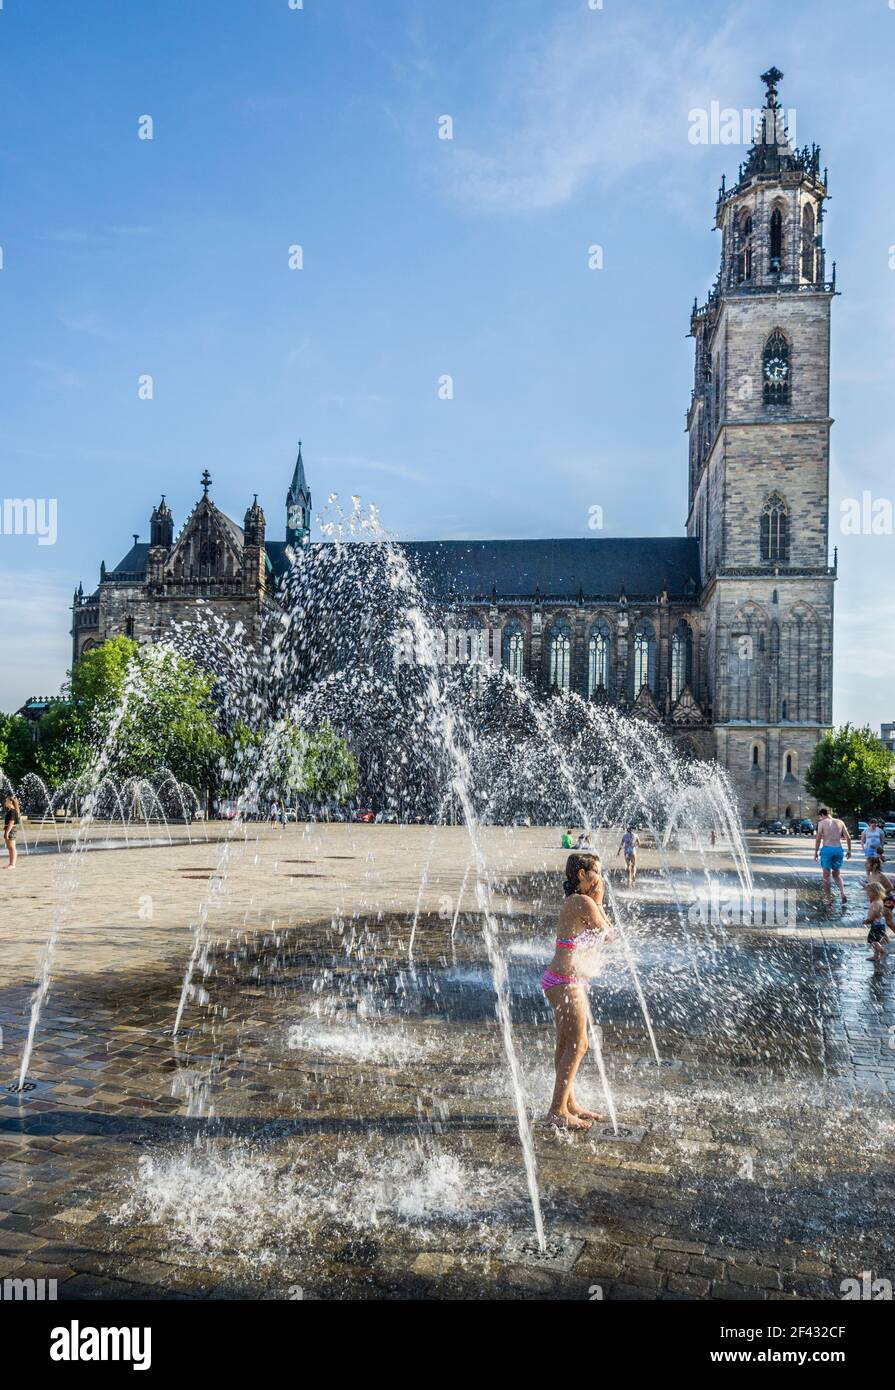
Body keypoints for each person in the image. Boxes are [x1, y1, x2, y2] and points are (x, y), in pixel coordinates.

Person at [541, 852, 615, 1132]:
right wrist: (600, 901)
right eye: (597, 872)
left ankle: (568, 1103)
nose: (601, 879)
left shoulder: (577, 901)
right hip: (565, 981)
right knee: (579, 1044)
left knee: (564, 1045)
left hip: (563, 980)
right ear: (582, 875)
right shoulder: (583, 901)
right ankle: (557, 1111)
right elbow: (610, 935)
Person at [813, 807, 851, 909]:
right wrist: (849, 851)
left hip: (827, 850)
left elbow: (818, 839)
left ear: (821, 815)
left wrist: (816, 852)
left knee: (826, 877)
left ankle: (829, 900)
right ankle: (843, 893)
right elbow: (848, 837)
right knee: (837, 874)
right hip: (838, 849)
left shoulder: (822, 823)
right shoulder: (840, 822)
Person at [864, 857, 895, 930]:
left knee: (880, 920)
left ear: (874, 865)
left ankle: (880, 938)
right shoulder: (869, 877)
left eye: (867, 863)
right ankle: (883, 939)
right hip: (876, 901)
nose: (865, 865)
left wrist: (880, 893)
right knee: (885, 922)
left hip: (887, 900)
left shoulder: (881, 876)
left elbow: (891, 887)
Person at [863, 882, 889, 963]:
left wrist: (868, 920)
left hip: (876, 926)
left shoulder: (876, 903)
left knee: (873, 941)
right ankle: (875, 955)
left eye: (868, 893)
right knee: (876, 940)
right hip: (879, 925)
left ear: (875, 892)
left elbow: (874, 915)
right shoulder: (879, 901)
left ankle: (883, 951)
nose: (867, 895)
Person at [3, 794, 21, 870]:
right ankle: (10, 863)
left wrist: (7, 832)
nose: (5, 802)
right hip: (9, 829)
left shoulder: (12, 811)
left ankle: (12, 864)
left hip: (11, 829)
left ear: (10, 802)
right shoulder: (11, 810)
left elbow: (11, 822)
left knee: (12, 847)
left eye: (6, 801)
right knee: (10, 847)